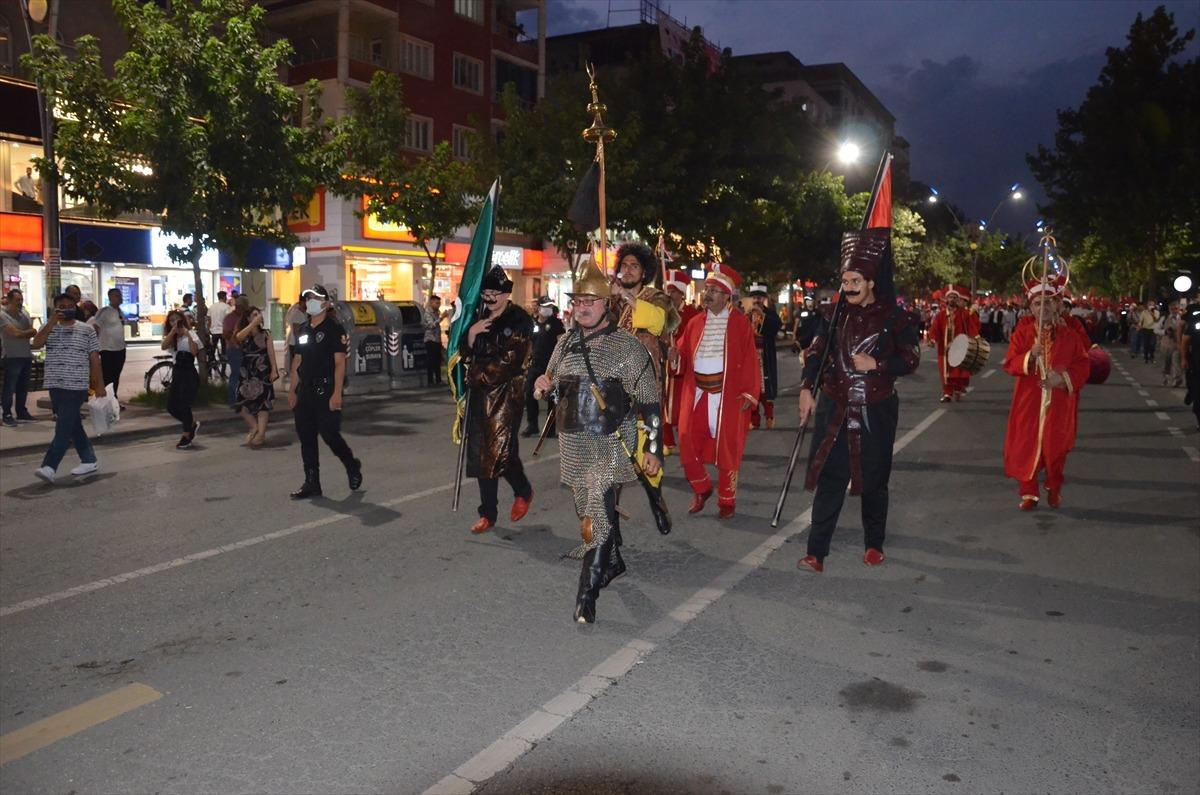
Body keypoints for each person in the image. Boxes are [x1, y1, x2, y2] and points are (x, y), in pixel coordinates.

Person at [533, 260, 663, 624]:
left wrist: (652, 449)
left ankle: (586, 596)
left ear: (607, 304)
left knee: (596, 521)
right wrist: (542, 387)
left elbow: (650, 401)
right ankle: (613, 562)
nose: (583, 306)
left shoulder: (628, 349)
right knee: (589, 511)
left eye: (591, 300)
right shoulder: (564, 343)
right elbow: (552, 385)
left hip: (609, 446)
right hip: (574, 444)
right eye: (578, 300)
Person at [795, 232, 922, 573]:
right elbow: (817, 354)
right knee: (830, 477)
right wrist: (807, 388)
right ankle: (816, 552)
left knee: (874, 479)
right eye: (845, 281)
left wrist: (877, 365)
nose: (848, 287)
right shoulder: (833, 315)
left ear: (870, 282)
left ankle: (874, 544)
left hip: (875, 409)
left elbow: (910, 360)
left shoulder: (895, 318)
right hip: (834, 406)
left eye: (855, 281)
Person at [669, 263, 760, 519]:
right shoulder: (695, 322)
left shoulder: (741, 324)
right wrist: (675, 357)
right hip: (697, 393)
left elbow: (751, 361)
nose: (706, 294)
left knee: (728, 449)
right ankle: (702, 487)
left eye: (713, 290)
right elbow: (683, 357)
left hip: (727, 395)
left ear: (726, 296)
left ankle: (727, 501)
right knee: (686, 440)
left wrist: (749, 393)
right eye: (706, 288)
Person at [1002, 277, 1091, 510]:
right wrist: (1029, 357)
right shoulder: (1022, 334)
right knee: (1026, 443)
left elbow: (1083, 365)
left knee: (1056, 447)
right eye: (1038, 303)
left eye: (1049, 302)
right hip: (1028, 401)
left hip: (1060, 401)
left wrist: (1061, 379)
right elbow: (1010, 364)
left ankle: (1054, 486)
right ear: (1031, 307)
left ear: (1058, 305)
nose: (1044, 307)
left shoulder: (1070, 335)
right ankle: (1029, 493)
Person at [460, 266, 534, 533]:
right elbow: (463, 352)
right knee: (482, 455)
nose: (489, 297)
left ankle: (523, 490)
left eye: (494, 292)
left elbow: (509, 363)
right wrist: (470, 335)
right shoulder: (477, 318)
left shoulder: (519, 322)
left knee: (502, 454)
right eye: (486, 292)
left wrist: (475, 375)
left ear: (506, 294)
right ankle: (487, 513)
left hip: (505, 397)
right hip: (479, 397)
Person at [288, 284, 362, 498]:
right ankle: (312, 482)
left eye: (314, 297)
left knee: (330, 434)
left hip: (326, 389)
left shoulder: (334, 329)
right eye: (307, 297)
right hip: (306, 391)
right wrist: (292, 390)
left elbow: (340, 363)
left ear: (326, 303)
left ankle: (351, 465)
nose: (309, 300)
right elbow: (297, 361)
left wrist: (337, 393)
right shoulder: (303, 330)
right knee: (306, 436)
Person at [30, 293, 105, 483]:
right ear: (55, 309)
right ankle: (89, 459)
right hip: (55, 384)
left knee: (63, 426)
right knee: (72, 424)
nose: (65, 309)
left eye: (69, 305)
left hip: (76, 385)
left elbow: (94, 359)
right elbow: (37, 343)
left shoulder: (86, 330)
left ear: (75, 307)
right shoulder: (49, 329)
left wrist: (99, 385)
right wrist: (52, 321)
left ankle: (49, 466)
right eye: (61, 306)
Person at [662, 270, 701, 453]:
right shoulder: (662, 313)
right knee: (663, 401)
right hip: (666, 364)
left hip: (686, 366)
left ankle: (688, 437)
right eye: (669, 292)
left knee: (684, 404)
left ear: (681, 294)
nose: (670, 295)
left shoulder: (692, 313)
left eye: (674, 292)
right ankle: (667, 440)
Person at [233, 306, 279, 447]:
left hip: (262, 369)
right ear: (248, 318)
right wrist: (252, 324)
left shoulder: (266, 334)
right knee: (241, 403)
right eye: (254, 314)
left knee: (263, 403)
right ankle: (254, 427)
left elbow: (271, 353)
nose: (258, 316)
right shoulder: (244, 333)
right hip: (247, 370)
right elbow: (238, 338)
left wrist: (274, 370)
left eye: (259, 314)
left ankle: (261, 434)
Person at [926, 284, 979, 402]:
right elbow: (935, 329)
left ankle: (958, 389)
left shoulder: (964, 313)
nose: (953, 299)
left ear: (958, 299)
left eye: (955, 297)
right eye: (950, 297)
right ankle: (947, 393)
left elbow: (971, 326)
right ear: (946, 299)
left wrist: (975, 337)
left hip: (959, 348)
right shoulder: (941, 315)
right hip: (944, 349)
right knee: (945, 371)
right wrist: (932, 339)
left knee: (959, 371)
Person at [523, 296, 565, 436]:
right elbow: (529, 343)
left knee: (551, 397)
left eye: (550, 306)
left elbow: (561, 344)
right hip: (535, 364)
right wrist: (524, 362)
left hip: (551, 366)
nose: (548, 309)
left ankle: (550, 429)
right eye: (545, 306)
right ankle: (532, 425)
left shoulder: (556, 323)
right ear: (539, 307)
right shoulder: (532, 323)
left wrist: (561, 363)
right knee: (529, 394)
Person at [161, 309, 202, 449]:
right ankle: (190, 424)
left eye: (177, 320)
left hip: (189, 373)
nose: (174, 323)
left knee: (185, 405)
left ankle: (186, 435)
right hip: (177, 372)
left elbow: (195, 351)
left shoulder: (191, 334)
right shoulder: (172, 338)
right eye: (171, 320)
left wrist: (187, 333)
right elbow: (163, 346)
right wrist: (173, 332)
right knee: (171, 406)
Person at [1, 288, 38, 426]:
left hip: (26, 355)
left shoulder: (25, 314)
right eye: (17, 300)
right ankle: (7, 414)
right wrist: (28, 333)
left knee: (23, 387)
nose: (20, 303)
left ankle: (22, 411)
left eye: (21, 300)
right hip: (11, 356)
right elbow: (15, 334)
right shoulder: (3, 315)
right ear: (9, 300)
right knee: (9, 387)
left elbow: (33, 330)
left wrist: (27, 332)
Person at [747, 283, 782, 428]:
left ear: (764, 299)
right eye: (755, 297)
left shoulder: (771, 314)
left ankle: (769, 416)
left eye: (759, 298)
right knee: (750, 388)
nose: (757, 300)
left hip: (765, 356)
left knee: (765, 388)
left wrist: (763, 316)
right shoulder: (747, 315)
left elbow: (775, 327)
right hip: (750, 357)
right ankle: (754, 420)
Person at [89, 288, 127, 402]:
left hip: (120, 349)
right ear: (110, 297)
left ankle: (113, 399)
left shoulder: (120, 311)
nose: (119, 298)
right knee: (108, 377)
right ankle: (106, 400)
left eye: (120, 295)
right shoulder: (104, 311)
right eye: (116, 296)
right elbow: (95, 327)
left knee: (116, 376)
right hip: (107, 350)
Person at [224, 295, 249, 405]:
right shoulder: (230, 318)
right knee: (236, 374)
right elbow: (226, 334)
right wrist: (236, 341)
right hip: (234, 349)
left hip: (245, 349)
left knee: (244, 374)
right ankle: (232, 400)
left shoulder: (245, 317)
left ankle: (243, 397)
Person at [1180, 302, 1200, 432]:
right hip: (1197, 363)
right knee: (1198, 396)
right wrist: (1184, 358)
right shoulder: (1196, 318)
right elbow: (1185, 340)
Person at [423, 294, 446, 387]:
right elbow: (431, 325)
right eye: (436, 303)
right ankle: (430, 381)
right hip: (430, 339)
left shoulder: (437, 312)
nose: (438, 305)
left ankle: (438, 380)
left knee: (437, 361)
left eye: (439, 303)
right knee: (431, 361)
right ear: (431, 303)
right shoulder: (428, 313)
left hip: (437, 340)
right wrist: (441, 318)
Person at [208, 290, 230, 357]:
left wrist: (209, 328)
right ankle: (223, 363)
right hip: (223, 331)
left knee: (212, 348)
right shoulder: (226, 307)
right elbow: (227, 319)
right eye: (226, 297)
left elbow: (209, 319)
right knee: (224, 349)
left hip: (213, 331)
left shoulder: (212, 306)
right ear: (224, 297)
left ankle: (211, 362)